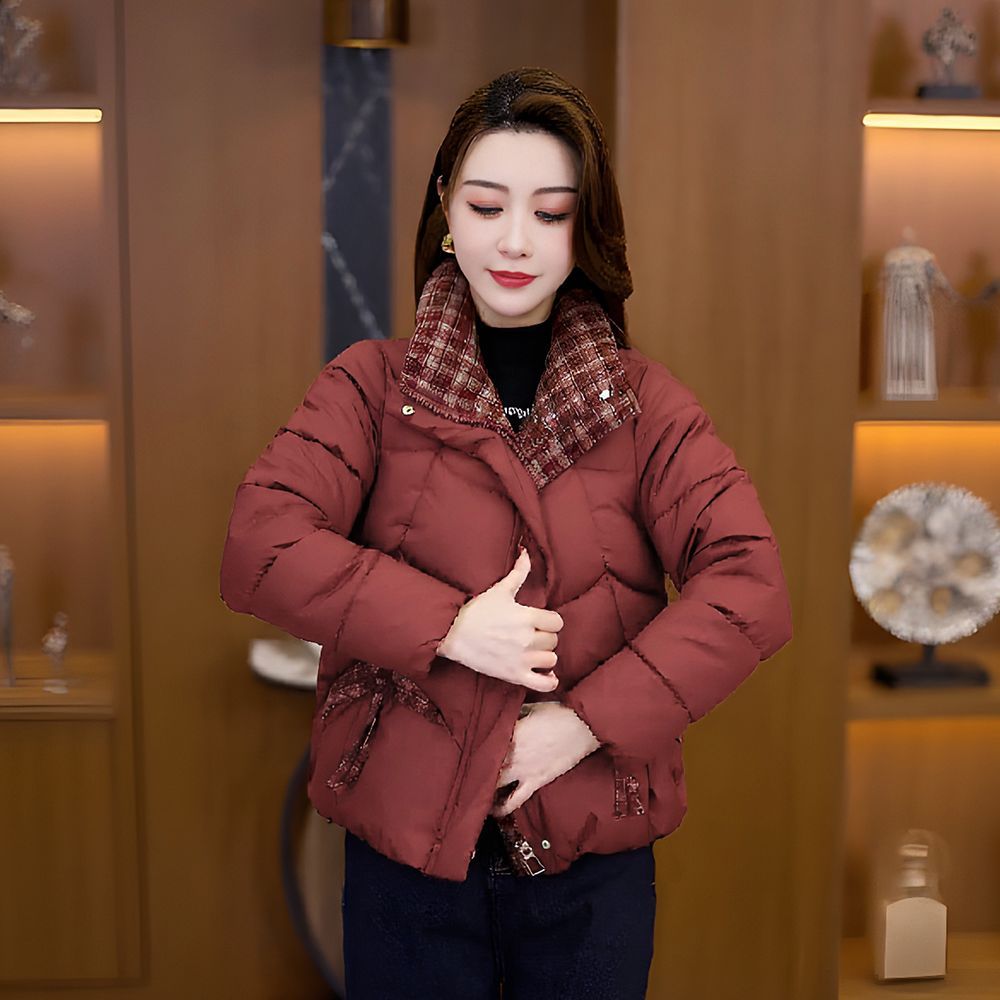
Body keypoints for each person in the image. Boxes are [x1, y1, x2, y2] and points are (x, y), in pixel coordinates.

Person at [220, 66, 793, 1000]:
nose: (515, 240)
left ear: (584, 229)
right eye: (487, 206)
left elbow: (751, 586)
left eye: (550, 212)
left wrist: (583, 724)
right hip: (405, 860)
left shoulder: (646, 405)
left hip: (590, 865)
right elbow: (262, 542)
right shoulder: (369, 385)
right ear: (447, 210)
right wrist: (449, 626)